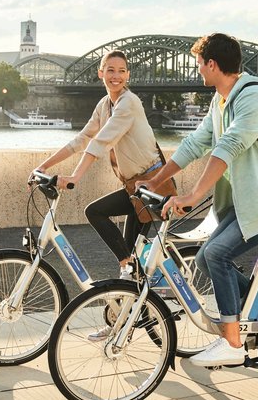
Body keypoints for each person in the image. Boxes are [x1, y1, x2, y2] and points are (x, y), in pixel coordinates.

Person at [142, 33, 258, 367]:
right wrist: (154, 181)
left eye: (199, 64)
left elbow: (229, 146)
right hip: (250, 201)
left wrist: (192, 195)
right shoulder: (220, 101)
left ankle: (232, 343)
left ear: (212, 64)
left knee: (216, 253)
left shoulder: (253, 97)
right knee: (206, 259)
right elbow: (195, 144)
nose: (197, 70)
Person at [34, 50, 168, 280]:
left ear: (128, 76)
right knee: (129, 261)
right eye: (110, 70)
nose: (116, 76)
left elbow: (101, 141)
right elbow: (82, 139)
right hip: (133, 187)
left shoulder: (129, 102)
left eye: (122, 71)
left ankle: (137, 295)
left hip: (152, 186)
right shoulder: (105, 105)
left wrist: (75, 177)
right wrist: (43, 167)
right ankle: (137, 303)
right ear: (100, 73)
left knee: (98, 215)